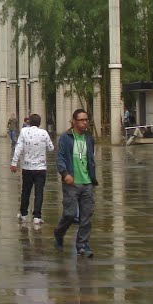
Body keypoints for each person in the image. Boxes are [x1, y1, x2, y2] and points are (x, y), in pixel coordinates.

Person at [54, 109, 98, 258]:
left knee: (86, 215)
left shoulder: (89, 138)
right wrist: (65, 173)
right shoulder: (66, 138)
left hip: (87, 183)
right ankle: (59, 233)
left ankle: (82, 245)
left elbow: (91, 159)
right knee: (70, 214)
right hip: (71, 183)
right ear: (74, 121)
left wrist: (92, 178)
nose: (85, 122)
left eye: (86, 119)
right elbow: (59, 158)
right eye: (81, 120)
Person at [10, 113, 55, 226]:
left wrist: (14, 163)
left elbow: (19, 147)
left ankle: (24, 214)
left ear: (29, 122)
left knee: (26, 191)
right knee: (39, 192)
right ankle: (37, 216)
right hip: (41, 168)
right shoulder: (44, 133)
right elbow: (51, 148)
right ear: (40, 123)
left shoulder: (24, 132)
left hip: (27, 168)